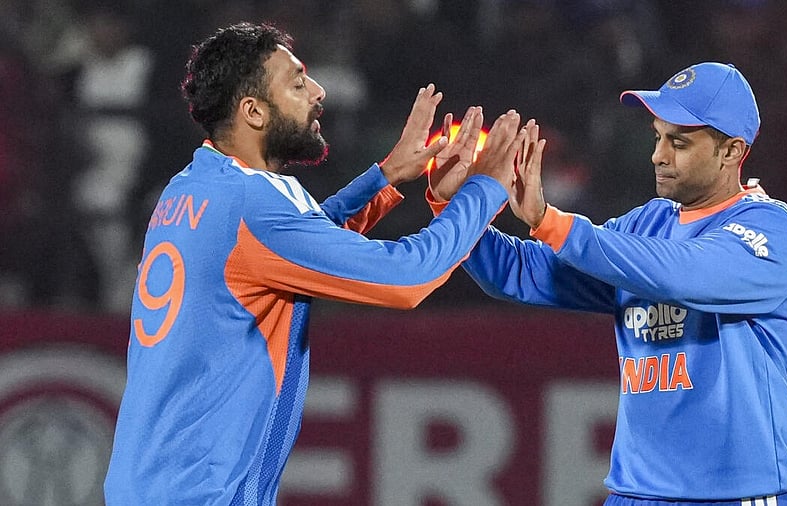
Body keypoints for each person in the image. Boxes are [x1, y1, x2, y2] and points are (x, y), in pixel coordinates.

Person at [104, 22, 526, 504]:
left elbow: (289, 248)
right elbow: (409, 277)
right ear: (254, 111)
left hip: (151, 486)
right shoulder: (253, 202)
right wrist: (486, 188)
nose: (318, 91)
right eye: (298, 82)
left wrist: (386, 177)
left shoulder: (192, 187)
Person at [428, 62, 787, 505]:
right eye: (658, 137)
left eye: (679, 143)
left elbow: (680, 272)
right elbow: (522, 273)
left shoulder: (769, 230)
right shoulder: (647, 223)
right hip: (635, 493)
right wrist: (454, 208)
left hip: (735, 495)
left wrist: (551, 222)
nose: (658, 155)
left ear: (731, 151)